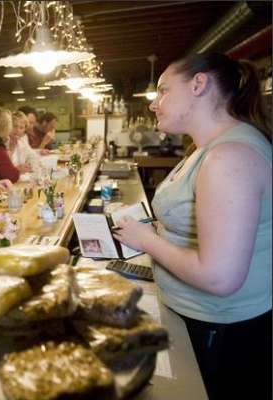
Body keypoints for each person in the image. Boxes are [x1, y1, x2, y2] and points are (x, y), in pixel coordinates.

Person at [113, 53, 271, 400]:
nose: (155, 104)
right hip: (196, 317)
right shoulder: (205, 148)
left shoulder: (229, 156)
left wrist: (148, 240)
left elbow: (220, 277)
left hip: (219, 331)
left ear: (198, 85)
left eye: (163, 91)